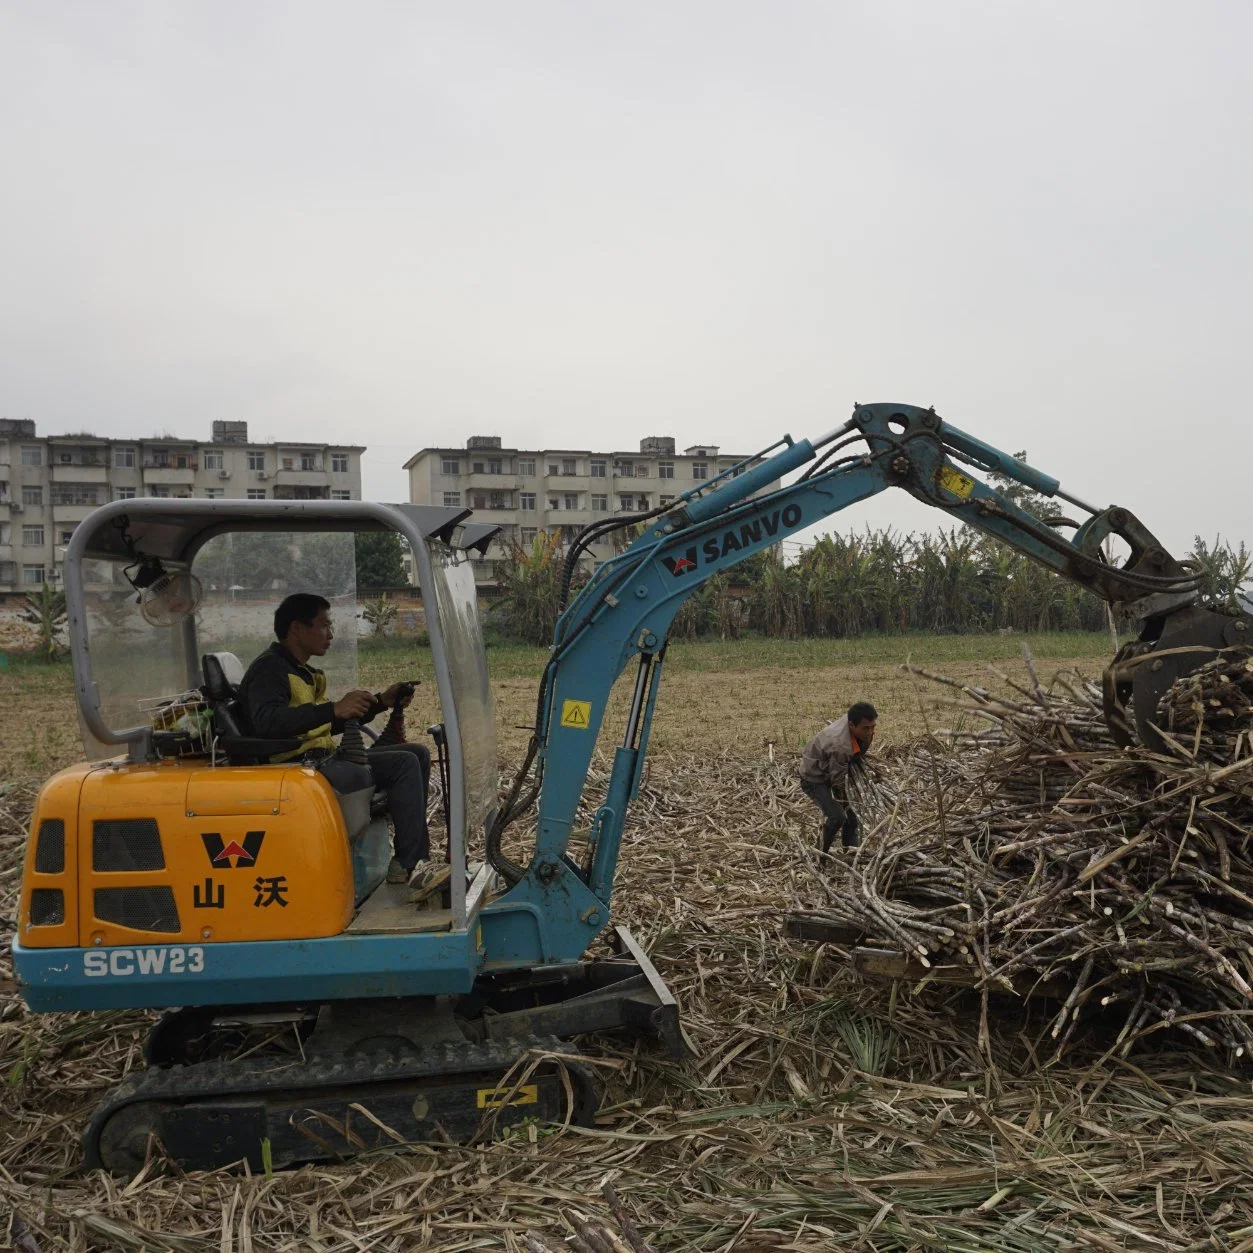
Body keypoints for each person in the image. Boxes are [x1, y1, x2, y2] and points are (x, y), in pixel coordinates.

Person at [239, 592, 440, 888]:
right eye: (323, 625)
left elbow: (317, 723)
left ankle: (414, 859)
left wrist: (382, 701)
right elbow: (267, 722)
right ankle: (409, 864)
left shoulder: (301, 671)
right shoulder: (270, 670)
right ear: (297, 628)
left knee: (418, 754)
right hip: (297, 769)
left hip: (322, 760)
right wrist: (332, 709)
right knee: (404, 763)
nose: (330, 633)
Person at [798, 701, 877, 854]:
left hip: (830, 767)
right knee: (838, 817)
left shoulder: (861, 726)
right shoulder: (840, 746)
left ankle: (851, 854)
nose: (870, 732)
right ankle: (819, 855)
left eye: (872, 727)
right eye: (865, 728)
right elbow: (838, 781)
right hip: (814, 777)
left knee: (852, 816)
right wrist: (846, 801)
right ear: (852, 725)